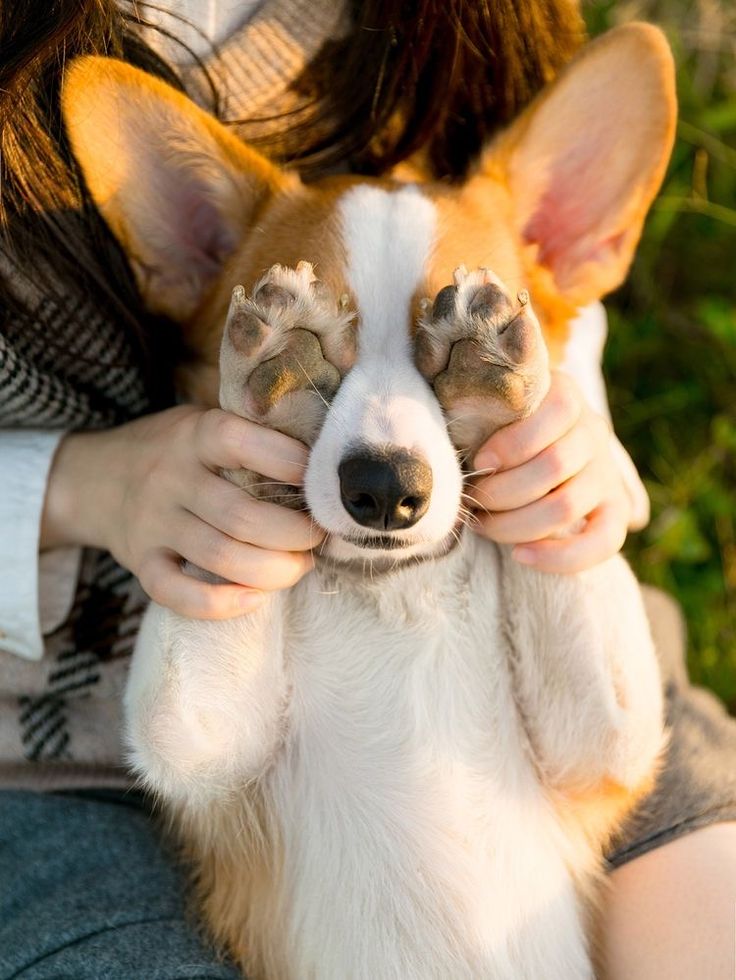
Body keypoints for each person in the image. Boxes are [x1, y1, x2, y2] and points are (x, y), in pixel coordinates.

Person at [0, 2, 734, 977]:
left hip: (517, 633)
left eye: (453, 357)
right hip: (56, 768)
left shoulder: (462, 37)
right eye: (318, 361)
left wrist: (571, 465)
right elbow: (198, 743)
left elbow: (601, 740)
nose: (385, 430)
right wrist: (92, 483)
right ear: (198, 255)